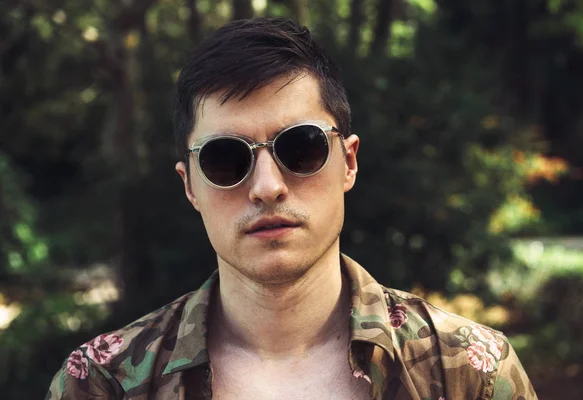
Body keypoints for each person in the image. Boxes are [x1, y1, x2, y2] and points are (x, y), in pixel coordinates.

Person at [47, 18, 537, 400]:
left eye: (300, 148)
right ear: (190, 186)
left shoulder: (469, 375)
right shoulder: (100, 384)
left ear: (348, 162)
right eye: (225, 158)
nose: (267, 186)